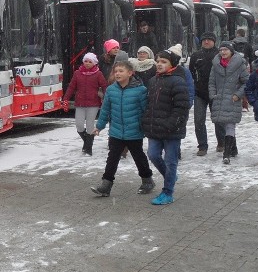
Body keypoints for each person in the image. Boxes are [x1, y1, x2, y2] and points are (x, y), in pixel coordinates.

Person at [90, 60, 155, 197]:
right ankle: (105, 186)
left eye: (121, 71)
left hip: (134, 131)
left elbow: (145, 112)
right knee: (112, 159)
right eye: (116, 71)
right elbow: (106, 110)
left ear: (130, 73)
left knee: (139, 158)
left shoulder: (140, 90)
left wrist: (147, 128)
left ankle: (147, 180)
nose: (117, 74)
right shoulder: (111, 90)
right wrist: (99, 127)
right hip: (116, 132)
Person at [141, 47, 190, 205]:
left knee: (171, 161)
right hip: (155, 129)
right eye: (157, 61)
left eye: (164, 61)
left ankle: (168, 192)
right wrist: (147, 121)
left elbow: (182, 107)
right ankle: (171, 176)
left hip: (172, 130)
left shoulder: (178, 81)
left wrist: (171, 124)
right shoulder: (153, 81)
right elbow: (149, 105)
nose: (159, 64)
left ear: (172, 64)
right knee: (153, 155)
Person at [209, 40, 247, 164]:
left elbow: (246, 82)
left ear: (231, 51)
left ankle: (226, 154)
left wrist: (238, 94)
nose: (223, 52)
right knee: (222, 124)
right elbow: (212, 82)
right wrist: (213, 95)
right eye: (221, 50)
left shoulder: (240, 64)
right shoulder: (216, 64)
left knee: (230, 124)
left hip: (232, 99)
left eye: (225, 50)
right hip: (219, 99)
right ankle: (233, 148)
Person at [61, 52, 107, 156]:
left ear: (94, 63)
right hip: (80, 103)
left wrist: (106, 98)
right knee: (79, 125)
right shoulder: (77, 73)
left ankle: (88, 149)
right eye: (85, 61)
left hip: (93, 104)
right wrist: (66, 99)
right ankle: (87, 142)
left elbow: (104, 86)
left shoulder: (98, 74)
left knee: (90, 125)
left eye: (90, 61)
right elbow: (72, 87)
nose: (87, 63)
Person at [188, 32, 222, 155]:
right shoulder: (196, 55)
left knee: (218, 120)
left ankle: (221, 143)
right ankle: (202, 145)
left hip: (216, 92)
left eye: (209, 40)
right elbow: (191, 72)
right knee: (198, 120)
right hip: (199, 93)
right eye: (204, 40)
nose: (206, 42)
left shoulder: (220, 55)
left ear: (214, 41)